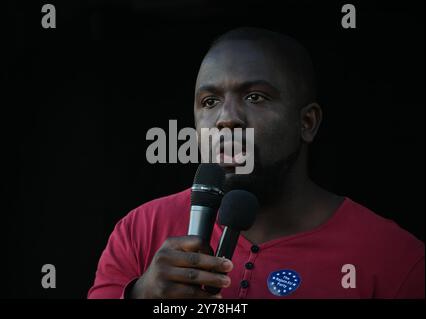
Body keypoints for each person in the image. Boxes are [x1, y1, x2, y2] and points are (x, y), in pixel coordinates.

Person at [87, 27, 424, 299]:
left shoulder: (393, 256)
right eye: (209, 101)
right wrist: (141, 295)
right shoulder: (140, 230)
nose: (226, 119)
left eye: (255, 97)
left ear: (307, 123)